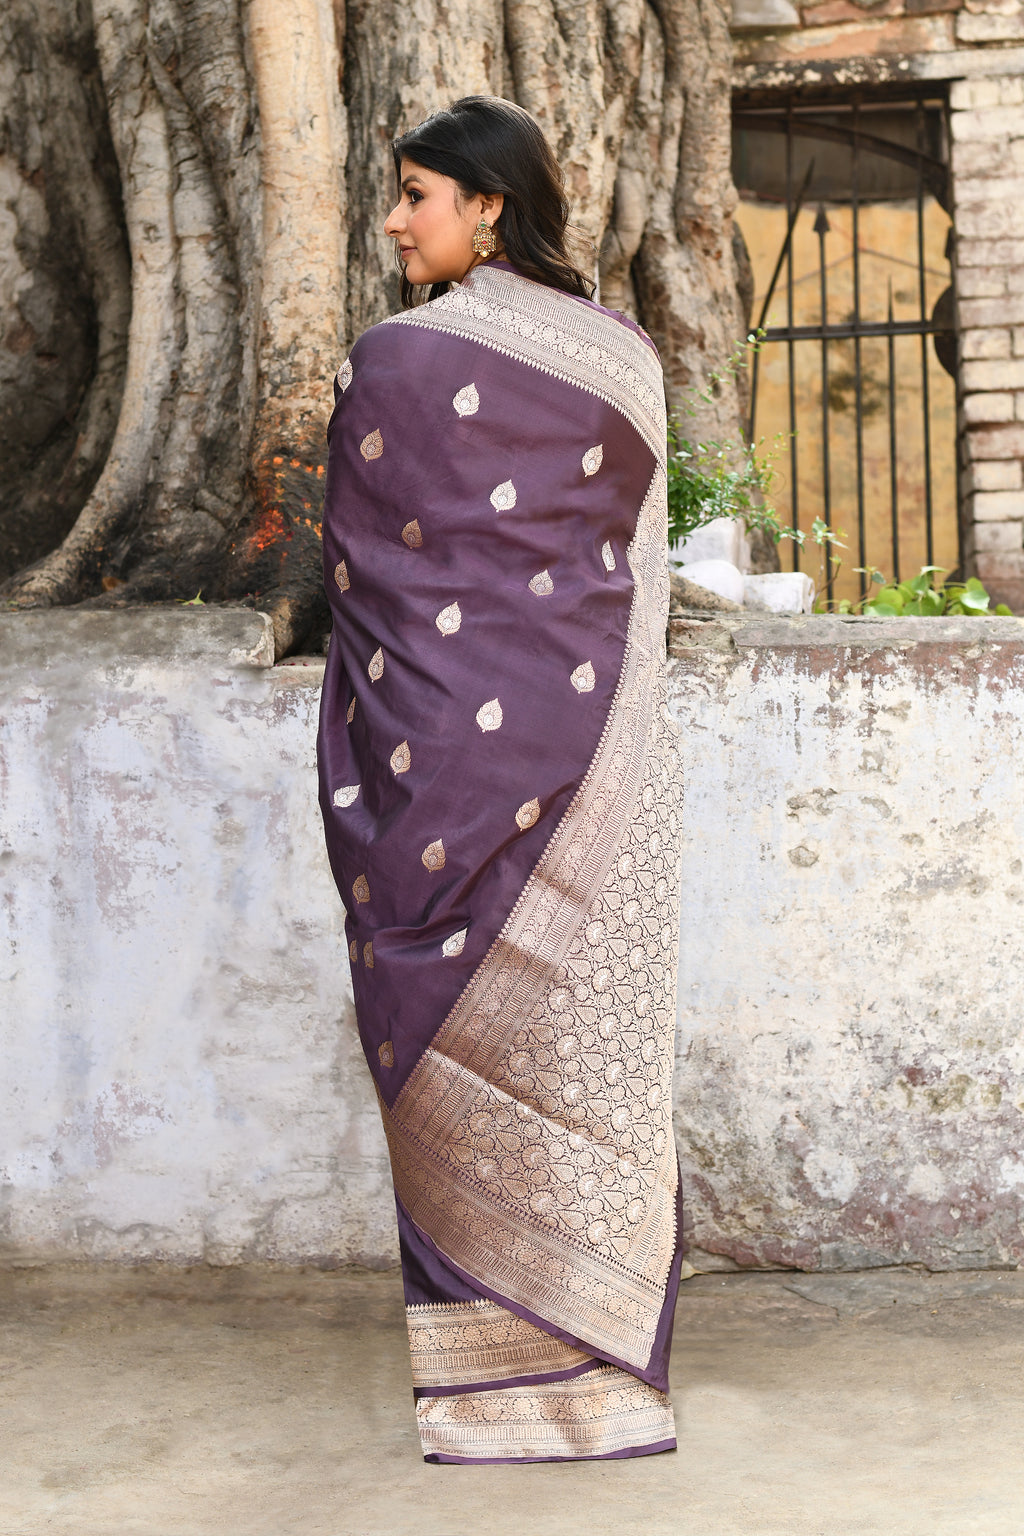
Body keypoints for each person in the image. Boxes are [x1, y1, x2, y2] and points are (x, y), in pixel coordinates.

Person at [317, 95, 684, 1464]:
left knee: (546, 1066)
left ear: (488, 205)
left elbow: (381, 594)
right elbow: (623, 596)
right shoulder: (623, 359)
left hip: (469, 785)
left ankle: (516, 1387)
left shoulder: (398, 363)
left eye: (419, 194)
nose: (397, 220)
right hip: (607, 768)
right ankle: (574, 1383)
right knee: (574, 1067)